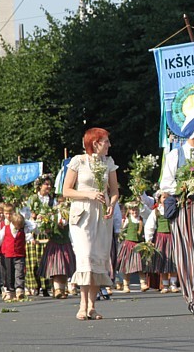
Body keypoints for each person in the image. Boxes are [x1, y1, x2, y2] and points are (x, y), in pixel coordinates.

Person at [63, 127, 120, 321]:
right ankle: (82, 304)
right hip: (82, 214)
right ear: (95, 143)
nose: (109, 145)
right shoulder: (78, 161)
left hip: (102, 215)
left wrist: (112, 204)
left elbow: (114, 191)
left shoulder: (108, 162)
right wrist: (88, 194)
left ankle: (92, 307)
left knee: (98, 258)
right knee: (85, 256)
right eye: (106, 141)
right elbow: (67, 191)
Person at [159, 115, 194, 317]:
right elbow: (166, 184)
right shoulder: (175, 155)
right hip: (184, 208)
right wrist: (187, 187)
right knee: (187, 254)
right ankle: (193, 298)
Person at [0, 211, 36, 301]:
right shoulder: (5, 229)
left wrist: (26, 223)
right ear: (13, 223)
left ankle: (19, 290)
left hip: (20, 254)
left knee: (20, 272)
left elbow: (33, 228)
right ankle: (10, 291)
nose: (19, 228)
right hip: (8, 255)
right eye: (18, 226)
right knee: (8, 273)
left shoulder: (23, 229)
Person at [38, 196, 76, 299]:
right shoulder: (52, 216)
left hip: (66, 243)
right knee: (56, 268)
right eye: (60, 204)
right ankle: (57, 289)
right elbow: (43, 227)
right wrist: (46, 229)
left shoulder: (70, 216)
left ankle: (61, 289)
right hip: (55, 244)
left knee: (64, 268)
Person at [24, 174, 55, 297]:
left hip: (46, 233)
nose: (48, 186)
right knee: (33, 263)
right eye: (46, 184)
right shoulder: (32, 199)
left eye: (49, 184)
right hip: (33, 233)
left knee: (45, 262)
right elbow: (25, 216)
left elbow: (55, 214)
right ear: (40, 186)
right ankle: (35, 286)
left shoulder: (52, 200)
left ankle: (46, 287)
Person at [144, 190, 179, 294]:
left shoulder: (174, 210)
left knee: (173, 260)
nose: (166, 199)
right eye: (164, 197)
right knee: (163, 261)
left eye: (168, 197)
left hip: (172, 237)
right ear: (159, 200)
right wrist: (149, 240)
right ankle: (165, 285)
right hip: (161, 238)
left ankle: (173, 284)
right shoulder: (156, 211)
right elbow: (150, 226)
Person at [116, 202, 146, 293]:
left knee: (140, 265)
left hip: (139, 244)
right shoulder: (128, 220)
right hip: (129, 244)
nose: (134, 212)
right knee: (127, 266)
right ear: (129, 211)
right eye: (132, 210)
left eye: (136, 209)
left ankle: (143, 283)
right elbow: (122, 229)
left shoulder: (141, 220)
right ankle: (126, 285)